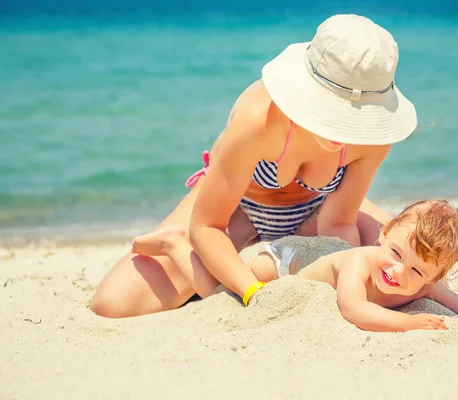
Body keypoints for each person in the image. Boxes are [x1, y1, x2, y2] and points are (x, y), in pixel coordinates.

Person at [91, 14, 418, 318]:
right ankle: (175, 246)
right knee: (114, 303)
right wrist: (252, 293)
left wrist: (344, 273)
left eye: (355, 117)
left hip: (319, 213)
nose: (341, 130)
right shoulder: (257, 120)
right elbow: (207, 226)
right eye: (334, 111)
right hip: (236, 210)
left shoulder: (375, 138)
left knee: (406, 266)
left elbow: (338, 223)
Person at [129, 200, 458, 332]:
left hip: (322, 253)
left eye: (418, 272)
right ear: (383, 234)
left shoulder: (425, 285)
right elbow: (355, 309)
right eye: (397, 254)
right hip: (287, 260)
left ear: (435, 277)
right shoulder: (360, 260)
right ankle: (177, 246)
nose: (399, 272)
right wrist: (410, 322)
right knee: (223, 296)